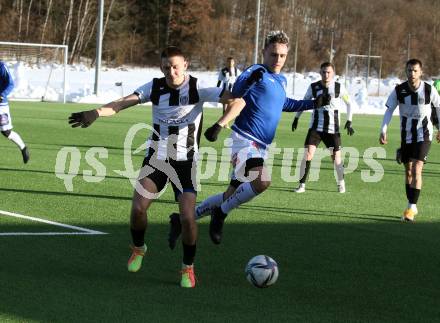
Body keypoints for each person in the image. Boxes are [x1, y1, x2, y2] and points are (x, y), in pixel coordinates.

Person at [68, 46, 233, 288]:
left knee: (187, 218)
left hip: (186, 163)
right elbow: (123, 103)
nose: (172, 71)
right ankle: (138, 248)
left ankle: (188, 267)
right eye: (167, 67)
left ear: (185, 64)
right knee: (137, 209)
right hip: (157, 159)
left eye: (176, 66)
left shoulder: (199, 87)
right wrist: (96, 112)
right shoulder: (155, 87)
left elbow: (234, 98)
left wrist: (222, 122)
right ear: (161, 68)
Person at [168, 31, 331, 246]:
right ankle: (220, 214)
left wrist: (314, 103)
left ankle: (181, 220)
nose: (278, 60)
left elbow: (286, 104)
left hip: (261, 146)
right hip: (244, 139)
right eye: (273, 54)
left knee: (230, 194)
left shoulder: (281, 80)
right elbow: (236, 92)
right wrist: (249, 82)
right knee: (262, 181)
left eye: (282, 56)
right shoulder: (257, 70)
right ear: (264, 52)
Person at [380, 58, 440, 222]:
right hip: (406, 136)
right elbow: (389, 110)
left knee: (416, 169)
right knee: (408, 171)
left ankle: (412, 207)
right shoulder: (399, 90)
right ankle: (410, 203)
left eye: (415, 70)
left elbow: (439, 107)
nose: (412, 73)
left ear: (421, 72)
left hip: (424, 135)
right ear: (405, 71)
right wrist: (383, 129)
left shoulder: (428, 90)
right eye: (409, 70)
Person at [291, 62, 355, 194]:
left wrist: (349, 121)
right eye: (324, 72)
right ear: (320, 73)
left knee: (336, 159)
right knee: (308, 155)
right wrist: (296, 118)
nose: (326, 74)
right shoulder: (313, 87)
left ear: (333, 73)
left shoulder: (339, 87)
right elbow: (304, 102)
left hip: (333, 130)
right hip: (315, 128)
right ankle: (301, 185)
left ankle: (341, 182)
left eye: (329, 72)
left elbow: (349, 104)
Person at [0, 61, 29, 164]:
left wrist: (2, 95)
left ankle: (23, 148)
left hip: (1, 105)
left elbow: (11, 84)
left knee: (6, 132)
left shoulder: (2, 66)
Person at [217, 57, 241, 127]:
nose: (230, 63)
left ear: (234, 62)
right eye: (228, 62)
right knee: (225, 107)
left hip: (234, 91)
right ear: (226, 62)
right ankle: (224, 123)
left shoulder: (237, 70)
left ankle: (235, 123)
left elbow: (240, 79)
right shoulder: (223, 71)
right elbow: (219, 81)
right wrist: (217, 89)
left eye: (231, 62)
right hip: (225, 91)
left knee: (235, 107)